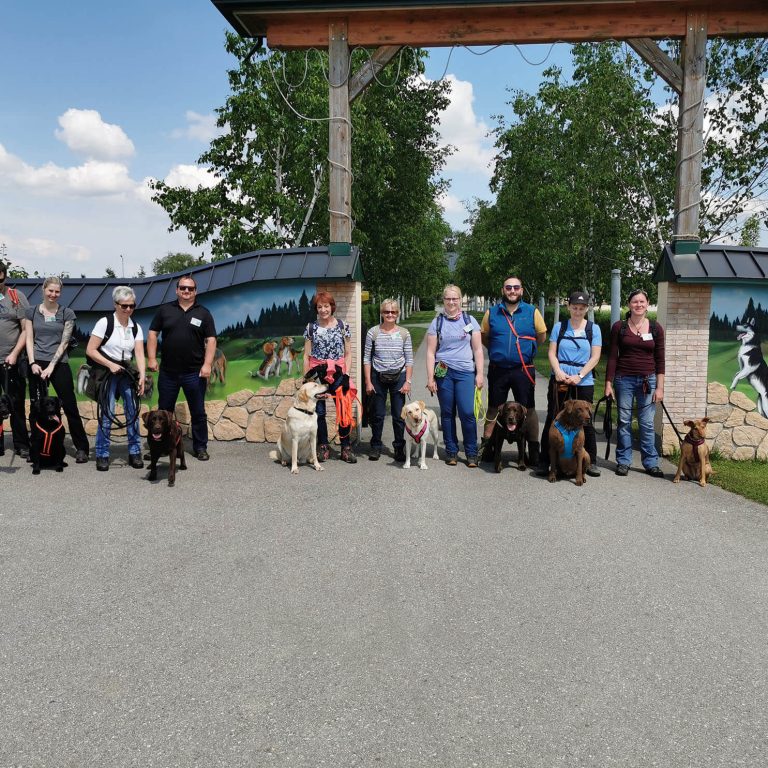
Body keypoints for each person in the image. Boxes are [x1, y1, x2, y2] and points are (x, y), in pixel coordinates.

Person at [147, 275, 216, 461]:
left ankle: (200, 447)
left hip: (194, 373)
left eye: (190, 288)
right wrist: (151, 358)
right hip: (168, 373)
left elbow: (211, 340)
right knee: (163, 414)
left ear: (195, 291)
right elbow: (152, 334)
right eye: (183, 288)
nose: (186, 291)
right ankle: (160, 447)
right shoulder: (164, 310)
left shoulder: (204, 313)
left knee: (198, 412)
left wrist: (207, 364)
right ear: (177, 290)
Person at [479, 275, 547, 467]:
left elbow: (541, 336)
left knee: (528, 409)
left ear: (521, 290)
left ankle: (533, 451)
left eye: (516, 287)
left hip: (523, 369)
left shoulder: (532, 311)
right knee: (494, 408)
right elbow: (485, 337)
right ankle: (488, 447)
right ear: (503, 290)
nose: (512, 291)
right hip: (498, 369)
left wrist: (528, 351)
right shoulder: (492, 312)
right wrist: (498, 351)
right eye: (508, 287)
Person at [536, 291, 602, 477]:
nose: (578, 311)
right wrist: (558, 371)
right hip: (560, 379)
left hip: (584, 380)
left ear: (586, 309)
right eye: (574, 308)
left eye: (581, 308)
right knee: (553, 417)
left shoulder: (594, 329)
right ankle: (545, 461)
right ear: (568, 307)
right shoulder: (560, 327)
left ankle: (591, 461)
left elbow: (595, 356)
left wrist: (579, 376)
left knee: (585, 420)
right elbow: (552, 352)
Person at [24, 275, 89, 463]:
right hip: (36, 363)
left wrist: (51, 366)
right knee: (36, 407)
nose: (53, 294)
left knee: (69, 406)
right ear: (43, 290)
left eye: (57, 291)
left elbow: (65, 342)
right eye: (50, 290)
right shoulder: (31, 312)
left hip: (59, 363)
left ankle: (81, 447)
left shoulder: (66, 313)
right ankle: (36, 447)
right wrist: (32, 363)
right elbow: (29, 338)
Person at [605, 288, 666, 478]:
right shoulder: (619, 327)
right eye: (635, 301)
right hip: (624, 380)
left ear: (647, 304)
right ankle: (624, 461)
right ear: (629, 304)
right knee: (624, 421)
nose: (638, 305)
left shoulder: (656, 328)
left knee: (646, 423)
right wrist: (608, 383)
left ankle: (651, 463)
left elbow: (660, 359)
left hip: (649, 381)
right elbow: (612, 357)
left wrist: (660, 387)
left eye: (642, 301)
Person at [86, 286, 146, 471]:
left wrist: (142, 376)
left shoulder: (135, 327)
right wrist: (109, 364)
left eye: (131, 306)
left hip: (126, 372)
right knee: (107, 413)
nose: (128, 309)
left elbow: (139, 353)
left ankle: (135, 452)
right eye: (124, 306)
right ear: (115, 304)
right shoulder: (105, 323)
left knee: (132, 412)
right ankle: (102, 454)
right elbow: (90, 350)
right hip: (107, 372)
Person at [425, 283, 484, 467]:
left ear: (460, 300)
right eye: (448, 299)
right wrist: (430, 378)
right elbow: (430, 353)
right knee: (447, 413)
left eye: (455, 298)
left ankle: (471, 451)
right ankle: (451, 450)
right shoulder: (437, 323)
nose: (451, 302)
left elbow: (478, 350)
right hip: (444, 372)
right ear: (443, 300)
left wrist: (480, 374)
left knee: (467, 412)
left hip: (465, 372)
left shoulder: (469, 320)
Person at [303, 291, 357, 463]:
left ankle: (346, 448)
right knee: (319, 413)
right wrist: (307, 379)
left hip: (339, 374)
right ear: (316, 309)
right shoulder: (311, 328)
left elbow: (348, 353)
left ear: (332, 307)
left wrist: (347, 375)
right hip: (318, 375)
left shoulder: (342, 326)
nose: (323, 310)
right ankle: (323, 446)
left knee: (343, 411)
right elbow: (306, 355)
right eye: (319, 307)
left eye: (326, 306)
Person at [363, 298, 414, 462]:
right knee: (377, 414)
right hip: (378, 377)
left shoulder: (404, 333)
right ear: (381, 313)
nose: (390, 314)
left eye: (393, 312)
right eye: (386, 312)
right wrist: (368, 382)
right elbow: (366, 359)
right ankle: (375, 446)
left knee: (399, 415)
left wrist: (408, 381)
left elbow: (409, 359)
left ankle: (399, 447)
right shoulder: (373, 332)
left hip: (399, 377)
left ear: (397, 313)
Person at [0, 261, 31, 458]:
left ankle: (21, 444)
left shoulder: (16, 296)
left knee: (16, 403)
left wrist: (14, 353)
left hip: (10, 360)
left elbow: (26, 328)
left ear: (4, 276)